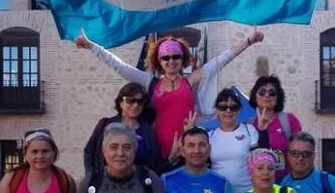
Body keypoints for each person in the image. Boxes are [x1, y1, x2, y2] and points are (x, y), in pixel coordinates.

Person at [74, 29, 264, 157]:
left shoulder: (191, 81)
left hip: (189, 148)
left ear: (183, 59)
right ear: (159, 61)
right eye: (165, 58)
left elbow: (221, 61)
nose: (171, 61)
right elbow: (119, 66)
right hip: (156, 147)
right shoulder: (151, 82)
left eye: (175, 57)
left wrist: (248, 41)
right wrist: (92, 46)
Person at [83, 82, 163, 175]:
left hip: (140, 185)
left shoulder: (148, 130)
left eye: (140, 101)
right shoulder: (105, 125)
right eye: (130, 100)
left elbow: (156, 162)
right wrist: (91, 176)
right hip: (108, 184)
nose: (135, 105)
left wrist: (173, 158)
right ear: (120, 102)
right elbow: (89, 152)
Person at [248, 75, 301, 181]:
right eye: (262, 92)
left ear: (277, 98)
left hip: (286, 183)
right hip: (259, 185)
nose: (267, 95)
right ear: (255, 96)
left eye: (272, 93)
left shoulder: (289, 120)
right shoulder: (248, 125)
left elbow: (299, 152)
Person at [207, 87, 258, 193]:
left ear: (239, 109)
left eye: (233, 107)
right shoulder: (209, 136)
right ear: (217, 110)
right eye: (223, 107)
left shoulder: (249, 130)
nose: (228, 111)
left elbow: (258, 160)